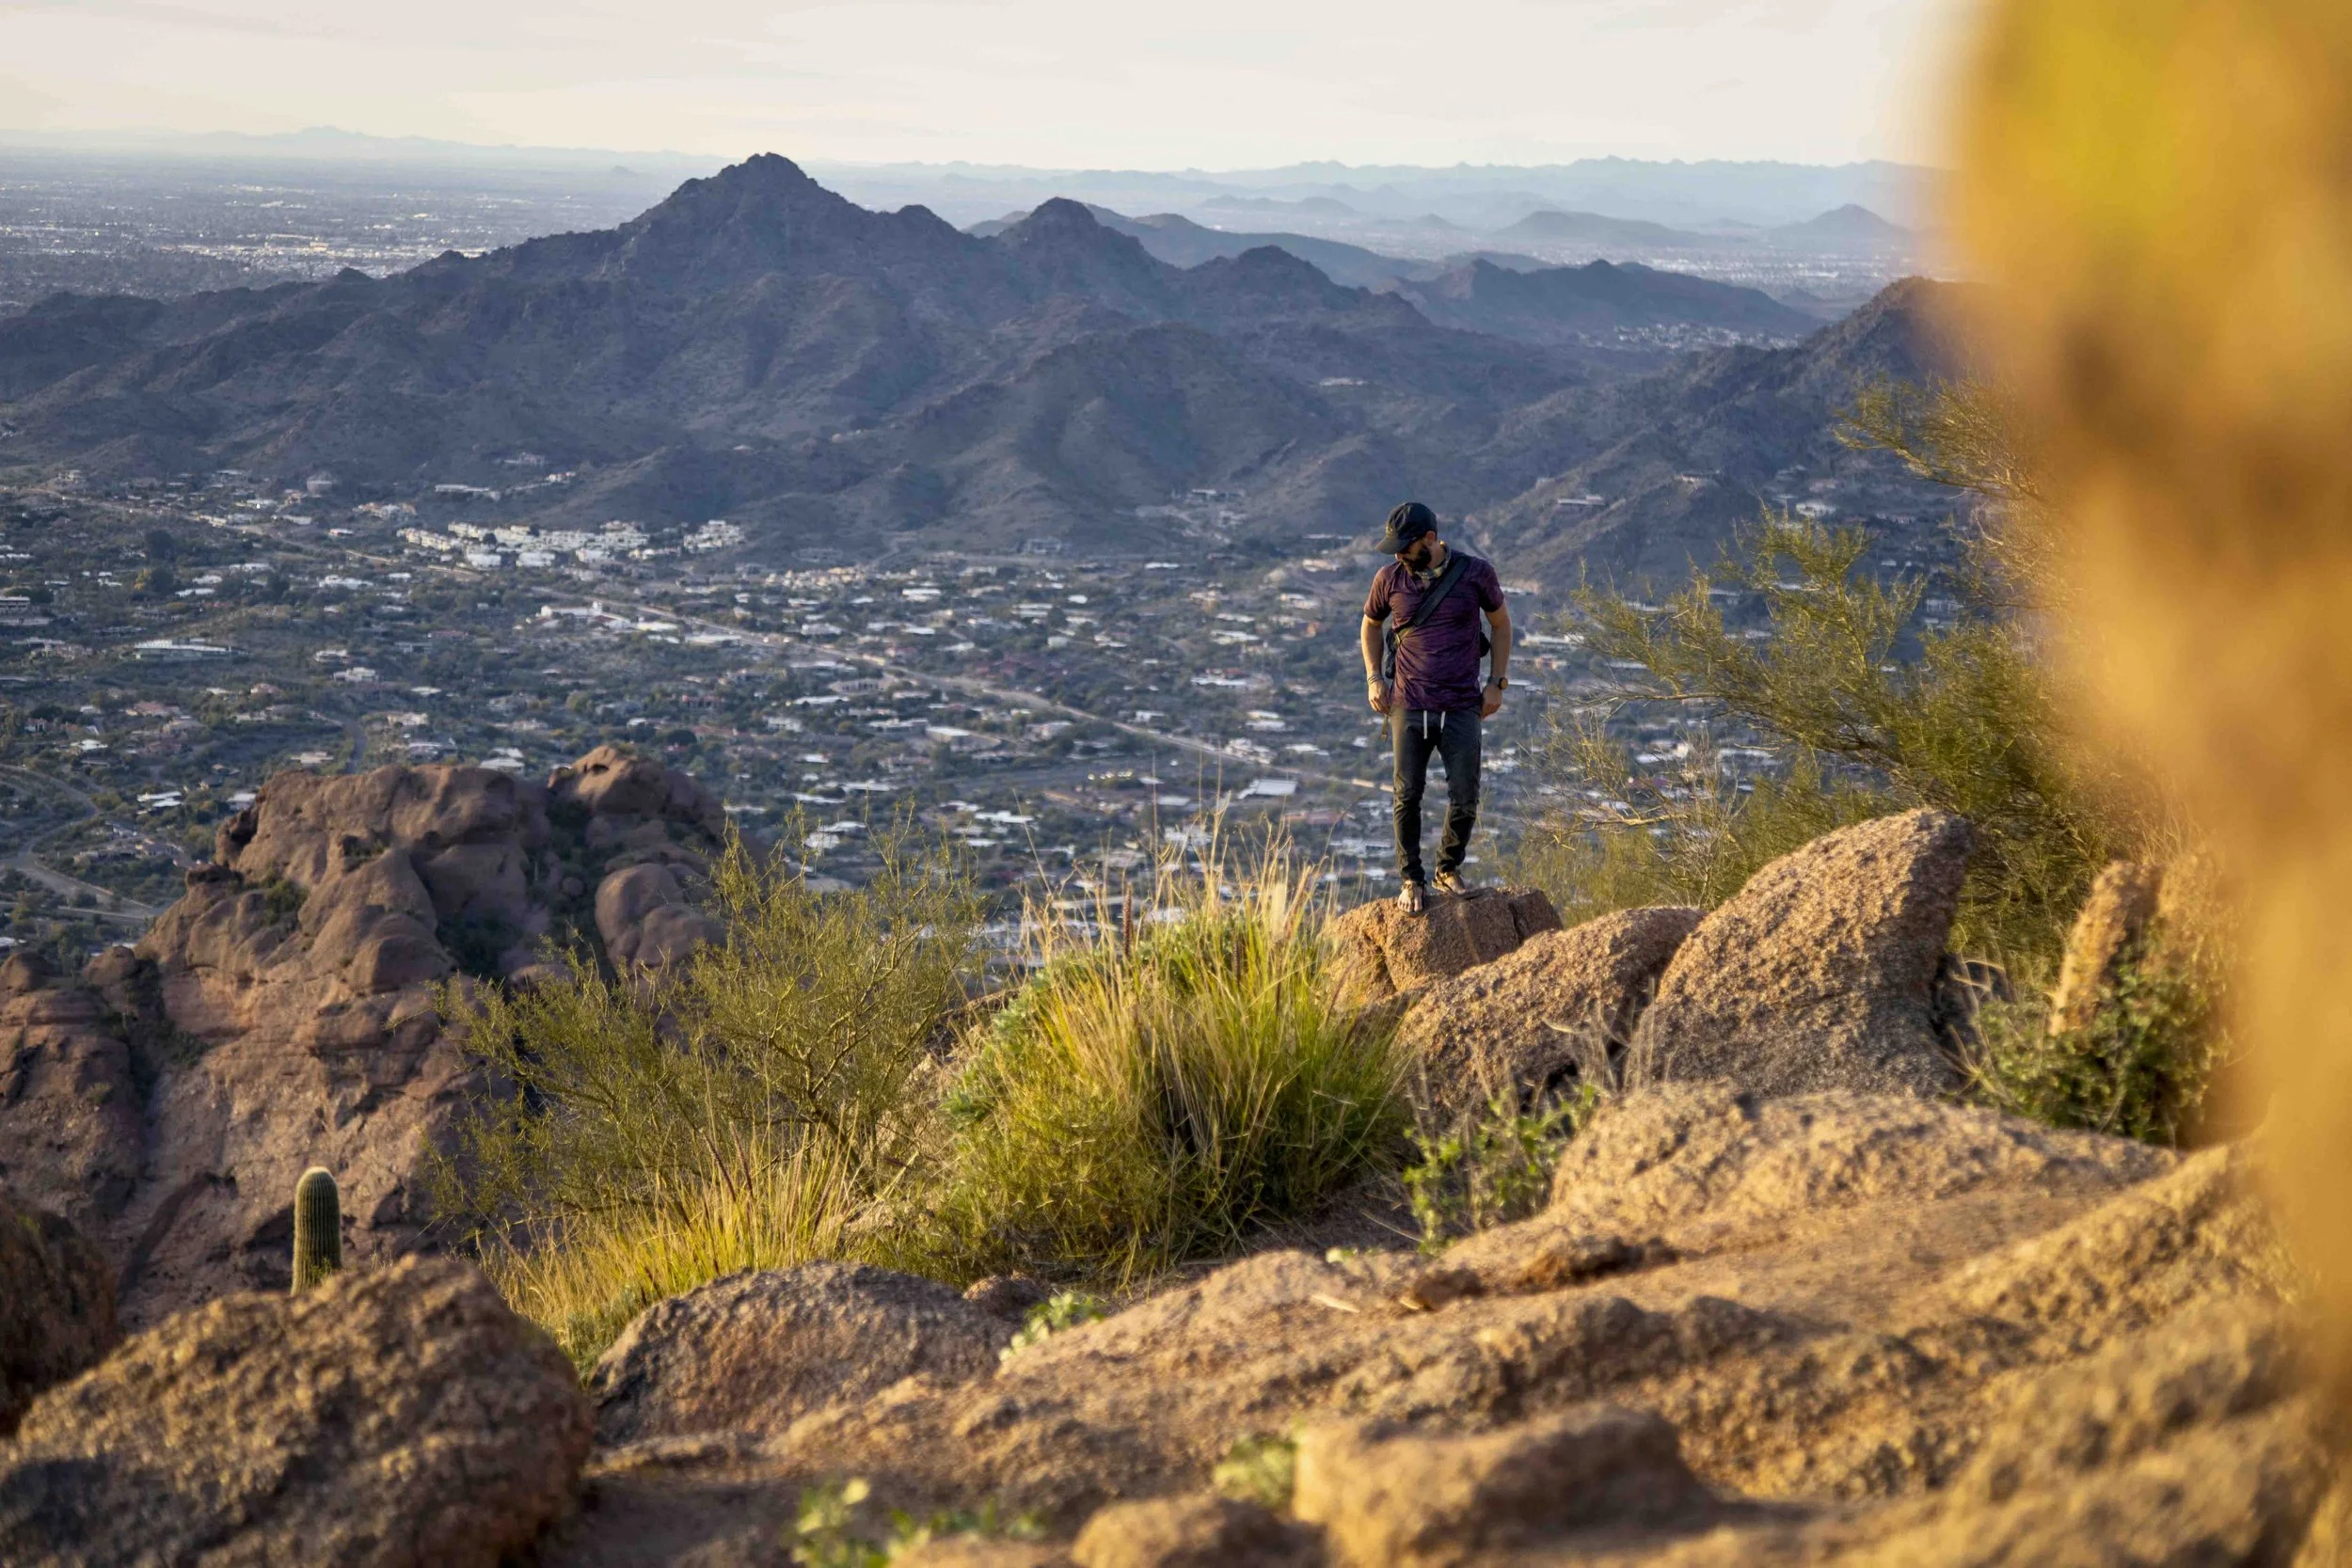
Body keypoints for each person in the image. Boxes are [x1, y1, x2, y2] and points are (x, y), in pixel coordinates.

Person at [1359, 500, 1513, 915]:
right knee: (1407, 795)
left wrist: (1496, 682)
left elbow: (1500, 624)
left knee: (1465, 796)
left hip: (1462, 704)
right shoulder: (1388, 578)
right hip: (1408, 705)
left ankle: (1448, 868)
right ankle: (1412, 878)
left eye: (1405, 546)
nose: (1398, 555)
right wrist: (1375, 677)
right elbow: (1370, 626)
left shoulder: (1476, 573)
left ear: (1430, 540)